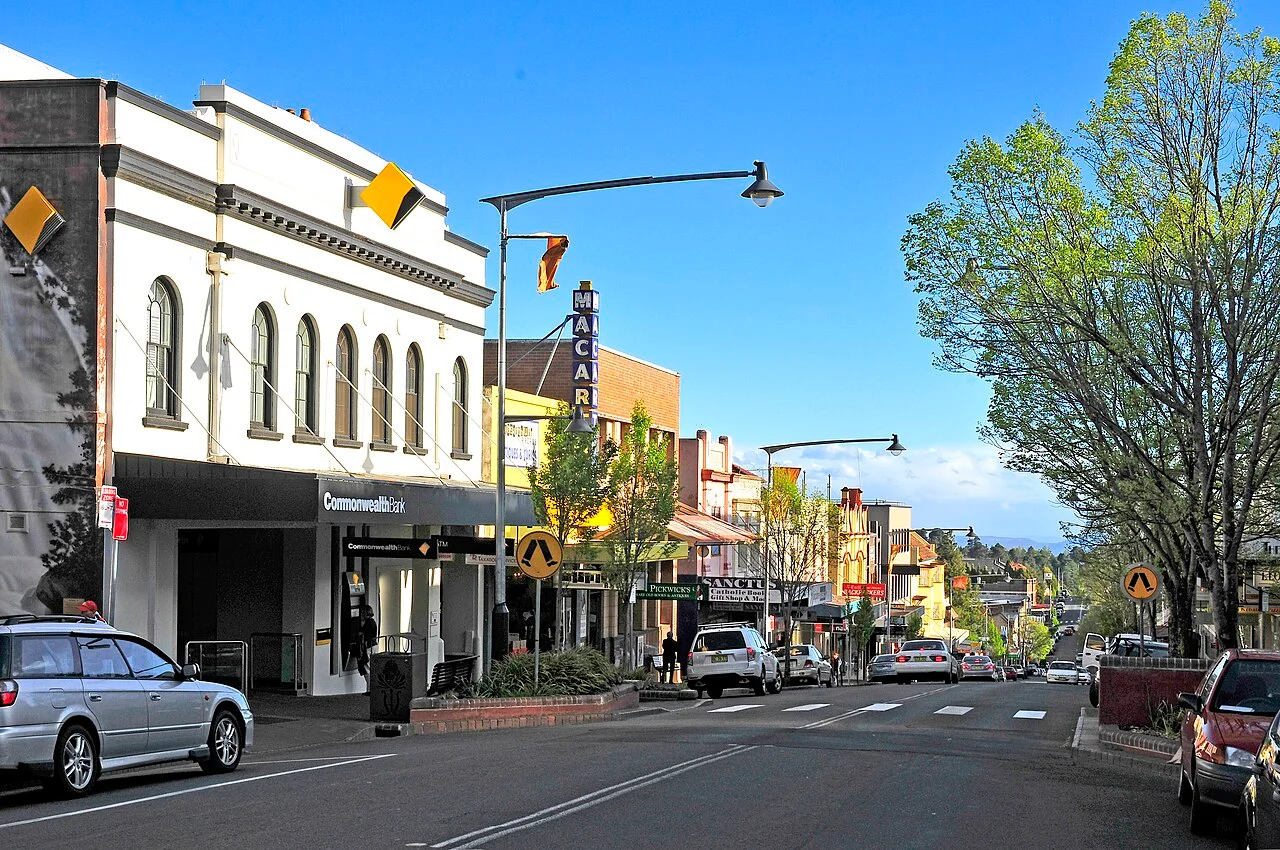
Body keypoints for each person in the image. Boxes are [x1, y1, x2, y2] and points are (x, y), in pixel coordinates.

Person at [356, 604, 377, 694]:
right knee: (370, 667)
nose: (361, 614)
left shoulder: (368, 623)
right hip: (373, 646)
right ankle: (369, 689)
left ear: (366, 612)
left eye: (362, 612)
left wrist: (362, 651)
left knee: (366, 668)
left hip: (368, 647)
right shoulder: (372, 622)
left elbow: (365, 638)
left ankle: (369, 690)